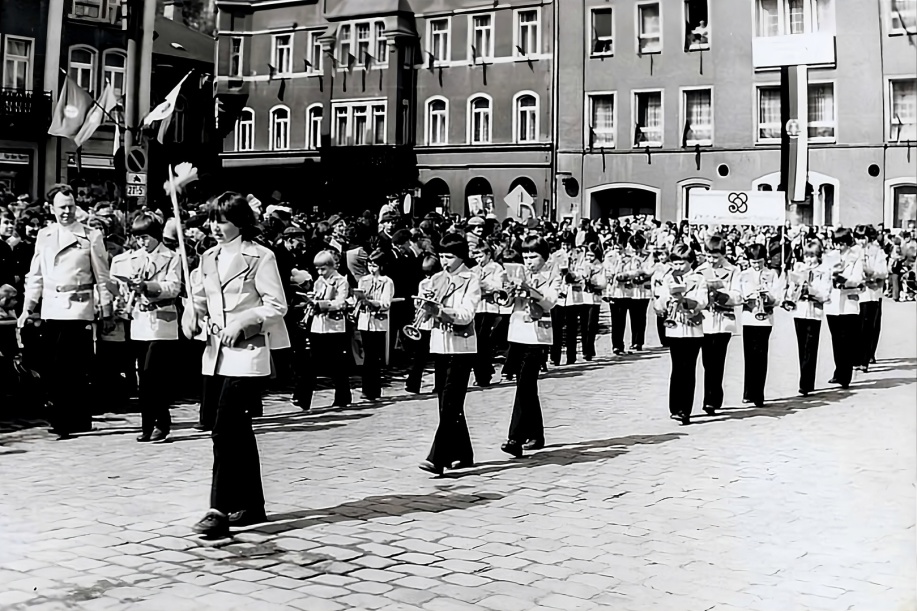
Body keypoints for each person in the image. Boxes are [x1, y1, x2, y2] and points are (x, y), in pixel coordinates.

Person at [183, 192, 289, 538]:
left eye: (223, 220)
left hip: (248, 353)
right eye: (212, 219)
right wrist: (191, 313)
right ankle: (253, 505)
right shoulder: (207, 257)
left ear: (241, 222)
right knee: (239, 432)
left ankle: (219, 508)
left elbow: (277, 305)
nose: (215, 227)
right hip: (216, 353)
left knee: (224, 428)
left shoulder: (261, 256)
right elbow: (201, 298)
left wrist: (245, 321)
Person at [19, 184, 113, 439]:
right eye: (62, 207)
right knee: (53, 366)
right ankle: (63, 415)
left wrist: (106, 310)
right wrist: (28, 308)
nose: (67, 212)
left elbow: (102, 276)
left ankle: (72, 419)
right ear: (52, 209)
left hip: (78, 308)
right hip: (52, 307)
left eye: (71, 206)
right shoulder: (45, 235)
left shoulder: (91, 236)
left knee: (73, 365)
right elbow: (35, 274)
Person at [113, 212, 182, 443]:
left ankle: (162, 422)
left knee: (154, 375)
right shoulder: (131, 258)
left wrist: (148, 287)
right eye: (138, 238)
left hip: (163, 322)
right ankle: (147, 424)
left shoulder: (171, 257)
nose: (142, 242)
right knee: (142, 375)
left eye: (146, 237)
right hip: (140, 322)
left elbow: (173, 287)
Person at [419, 232, 481, 476]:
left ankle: (438, 457)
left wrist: (441, 311)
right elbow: (428, 314)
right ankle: (463, 453)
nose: (445, 261)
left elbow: (467, 314)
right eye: (442, 256)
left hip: (461, 346)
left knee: (450, 403)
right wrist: (424, 310)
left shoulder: (471, 279)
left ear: (461, 256)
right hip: (440, 344)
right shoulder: (436, 278)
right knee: (447, 403)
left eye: (450, 256)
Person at [501, 236, 558, 458]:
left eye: (533, 256)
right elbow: (505, 303)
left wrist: (529, 290)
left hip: (537, 335)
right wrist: (508, 290)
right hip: (517, 333)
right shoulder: (518, 274)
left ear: (545, 257)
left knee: (524, 384)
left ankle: (515, 437)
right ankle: (536, 433)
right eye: (525, 256)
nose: (529, 260)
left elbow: (550, 301)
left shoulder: (552, 276)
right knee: (526, 385)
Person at [654, 244, 707, 425]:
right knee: (677, 367)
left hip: (693, 328)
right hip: (675, 328)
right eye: (675, 263)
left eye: (681, 263)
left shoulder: (699, 279)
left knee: (689, 368)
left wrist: (685, 301)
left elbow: (703, 301)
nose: (677, 267)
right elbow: (659, 304)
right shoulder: (667, 278)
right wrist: (667, 300)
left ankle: (686, 409)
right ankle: (674, 407)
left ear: (690, 262)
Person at [296, 250, 352, 409]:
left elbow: (341, 303)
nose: (320, 273)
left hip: (335, 327)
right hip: (318, 326)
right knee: (311, 363)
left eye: (323, 269)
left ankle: (343, 397)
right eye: (318, 269)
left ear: (331, 266)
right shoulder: (319, 281)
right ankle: (302, 398)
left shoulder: (341, 281)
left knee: (338, 365)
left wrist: (321, 305)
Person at [695, 234, 743, 415]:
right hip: (706, 320)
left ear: (723, 254)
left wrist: (724, 296)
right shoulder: (700, 270)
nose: (711, 260)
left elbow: (738, 295)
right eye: (708, 256)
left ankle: (711, 400)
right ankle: (712, 395)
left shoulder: (733, 270)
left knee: (718, 359)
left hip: (724, 321)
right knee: (707, 361)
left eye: (715, 257)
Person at [785, 241, 832, 396]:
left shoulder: (824, 271)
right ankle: (805, 379)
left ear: (818, 256)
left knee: (810, 347)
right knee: (801, 346)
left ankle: (806, 382)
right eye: (806, 256)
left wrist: (810, 290)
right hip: (799, 310)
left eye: (812, 256)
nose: (809, 260)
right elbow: (791, 289)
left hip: (814, 311)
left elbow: (825, 293)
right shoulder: (799, 268)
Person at [738, 244, 779, 407]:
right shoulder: (743, 275)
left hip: (765, 319)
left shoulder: (771, 274)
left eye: (759, 262)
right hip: (749, 317)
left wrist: (766, 295)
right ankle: (748, 391)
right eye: (753, 262)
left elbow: (777, 297)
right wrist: (747, 297)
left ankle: (759, 393)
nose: (756, 265)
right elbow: (739, 294)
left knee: (761, 356)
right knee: (749, 355)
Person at [823, 228, 864, 389]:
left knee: (847, 339)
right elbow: (824, 274)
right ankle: (838, 369)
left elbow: (857, 278)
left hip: (848, 303)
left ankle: (845, 375)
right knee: (836, 339)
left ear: (848, 243)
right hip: (832, 303)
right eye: (837, 244)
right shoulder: (830, 258)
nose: (839, 247)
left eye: (842, 244)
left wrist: (843, 280)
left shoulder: (856, 259)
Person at [355, 248, 394, 401]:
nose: (372, 269)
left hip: (379, 322)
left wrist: (371, 302)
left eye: (375, 266)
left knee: (374, 357)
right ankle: (366, 388)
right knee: (366, 356)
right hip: (365, 320)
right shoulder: (364, 280)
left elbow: (386, 303)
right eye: (370, 265)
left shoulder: (387, 281)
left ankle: (374, 390)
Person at [471, 241, 506, 386]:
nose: (478, 260)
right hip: (476, 307)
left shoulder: (496, 268)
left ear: (488, 254)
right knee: (476, 341)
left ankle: (484, 373)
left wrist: (482, 284)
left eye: (480, 256)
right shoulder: (473, 269)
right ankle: (483, 372)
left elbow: (498, 287)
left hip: (490, 307)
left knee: (482, 339)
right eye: (476, 256)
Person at [405, 255, 441, 394]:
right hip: (424, 323)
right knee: (420, 355)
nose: (428, 277)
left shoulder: (442, 283)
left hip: (435, 321)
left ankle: (439, 385)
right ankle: (413, 383)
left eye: (431, 273)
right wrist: (420, 301)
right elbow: (417, 302)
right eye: (426, 273)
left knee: (438, 355)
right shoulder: (423, 283)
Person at [856, 225, 887, 372]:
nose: (860, 241)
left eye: (863, 238)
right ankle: (857, 356)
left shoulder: (877, 252)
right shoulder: (854, 252)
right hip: (856, 293)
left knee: (868, 326)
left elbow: (883, 271)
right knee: (857, 326)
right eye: (858, 238)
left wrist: (871, 273)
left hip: (871, 293)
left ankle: (866, 358)